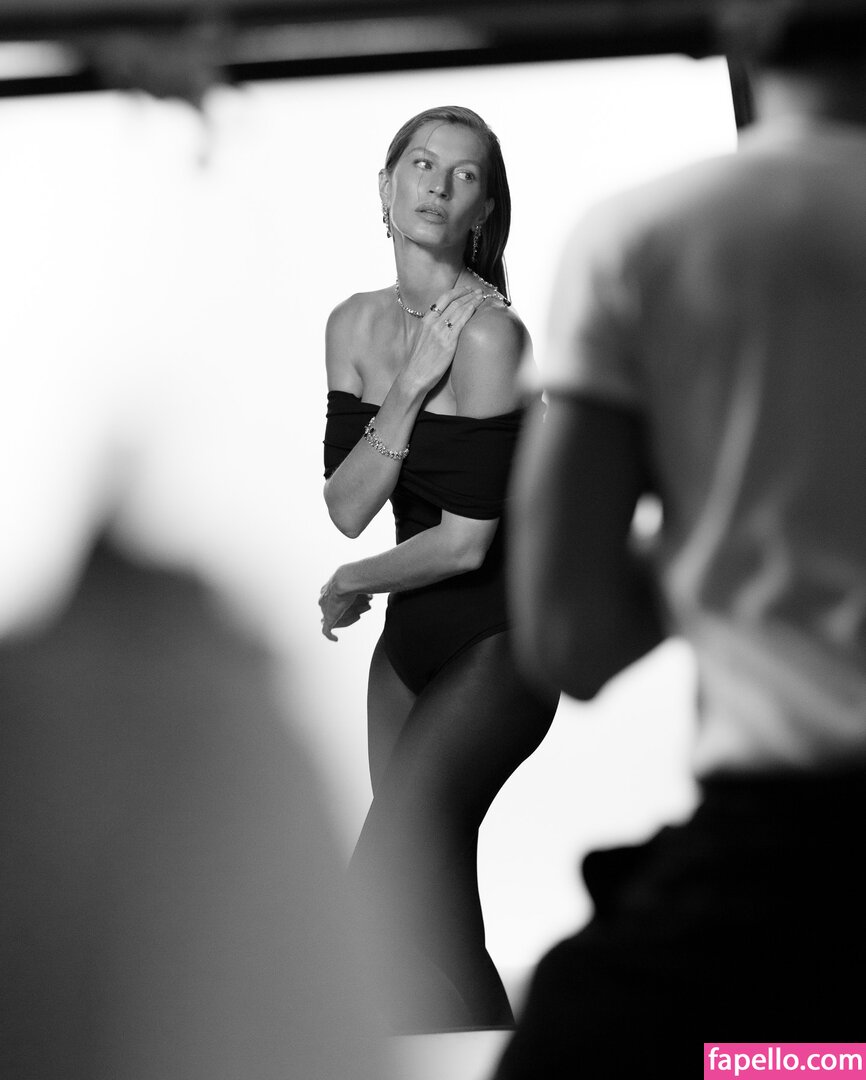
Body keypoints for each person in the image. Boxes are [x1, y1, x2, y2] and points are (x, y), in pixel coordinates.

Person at [492, 6, 866, 1076]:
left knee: (740, 1058)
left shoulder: (644, 239)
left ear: (736, 22)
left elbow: (569, 636)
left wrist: (726, 523)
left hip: (780, 895)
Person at [318, 105, 559, 1034]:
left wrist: (354, 581)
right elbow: (347, 506)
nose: (437, 185)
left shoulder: (495, 337)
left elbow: (467, 543)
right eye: (421, 164)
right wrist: (414, 381)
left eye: (464, 176)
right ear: (385, 186)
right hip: (408, 650)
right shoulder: (352, 324)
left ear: (483, 210)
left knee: (375, 889)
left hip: (500, 646)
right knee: (432, 917)